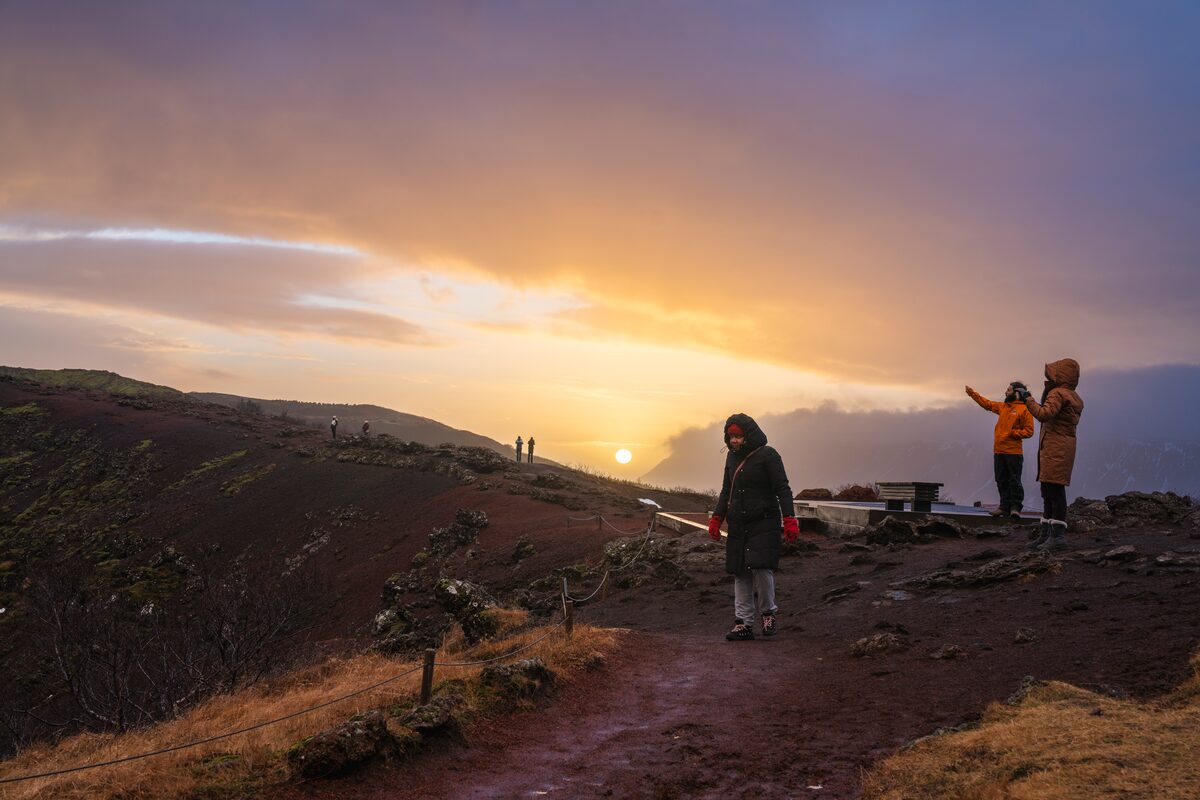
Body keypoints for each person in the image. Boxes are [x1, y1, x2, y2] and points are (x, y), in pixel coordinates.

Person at [706, 413, 800, 641]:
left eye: (738, 436)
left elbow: (783, 489)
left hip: (764, 520)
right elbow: (725, 490)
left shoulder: (769, 456)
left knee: (761, 568)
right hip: (738, 522)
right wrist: (717, 518)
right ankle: (743, 623)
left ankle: (768, 614)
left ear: (748, 435)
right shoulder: (730, 458)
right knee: (739, 572)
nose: (734, 441)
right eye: (731, 437)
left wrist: (789, 518)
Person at [1023, 358, 1084, 551]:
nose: (1047, 379)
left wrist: (1028, 399)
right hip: (1058, 448)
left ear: (1059, 377)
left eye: (1050, 375)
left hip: (1054, 448)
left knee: (1054, 492)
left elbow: (1044, 414)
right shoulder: (1072, 395)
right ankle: (1047, 535)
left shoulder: (1058, 394)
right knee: (1050, 490)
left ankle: (1056, 538)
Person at [965, 382, 1035, 519]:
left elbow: (1029, 431)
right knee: (1001, 479)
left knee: (1014, 480)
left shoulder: (1025, 410)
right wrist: (972, 393)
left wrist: (1013, 433)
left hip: (1014, 452)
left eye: (1008, 390)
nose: (1005, 392)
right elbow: (987, 404)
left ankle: (1015, 508)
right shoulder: (1003, 407)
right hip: (999, 451)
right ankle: (1004, 507)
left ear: (1017, 392)